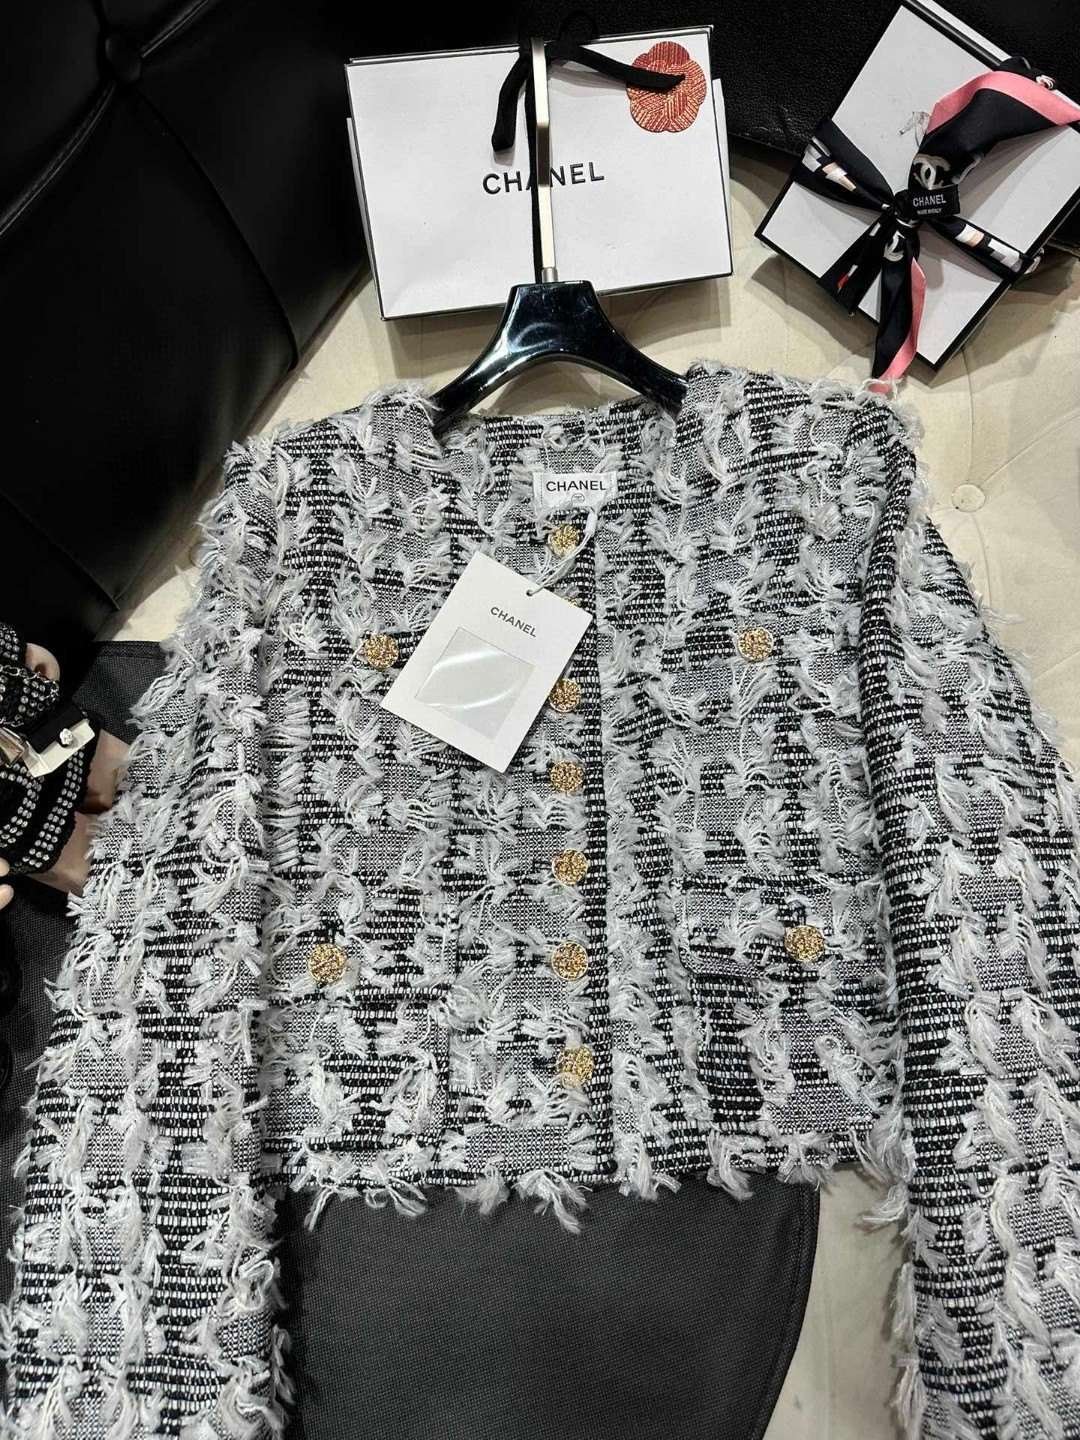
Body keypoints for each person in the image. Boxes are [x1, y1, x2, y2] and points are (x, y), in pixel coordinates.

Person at [0, 621, 129, 1085]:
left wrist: (11, 652)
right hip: (27, 829)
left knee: (153, 774)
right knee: (126, 883)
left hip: (40, 728)